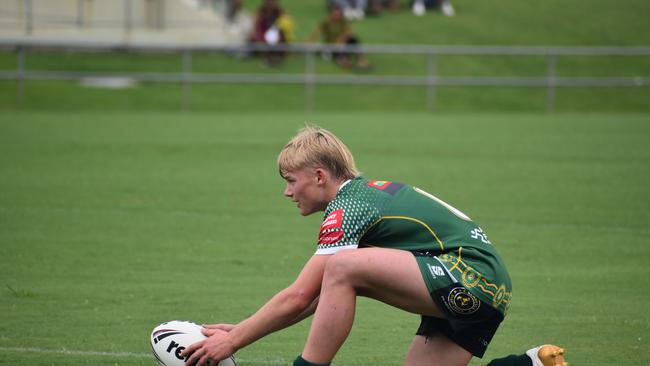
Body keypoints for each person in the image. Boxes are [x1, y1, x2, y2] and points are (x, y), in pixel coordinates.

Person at [182, 125, 569, 366]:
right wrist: (248, 329)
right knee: (342, 270)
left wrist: (234, 341)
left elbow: (301, 295)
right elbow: (321, 297)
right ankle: (532, 364)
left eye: (290, 180)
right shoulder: (362, 197)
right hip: (478, 285)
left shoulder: (347, 207)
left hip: (468, 278)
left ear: (318, 176)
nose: (286, 192)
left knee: (343, 265)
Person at [309, 6, 371, 71]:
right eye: (334, 14)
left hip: (342, 44)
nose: (336, 16)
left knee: (353, 38)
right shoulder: (326, 21)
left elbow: (350, 32)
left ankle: (361, 59)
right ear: (331, 14)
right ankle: (343, 61)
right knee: (337, 48)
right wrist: (309, 41)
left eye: (338, 14)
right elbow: (317, 33)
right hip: (332, 46)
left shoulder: (343, 21)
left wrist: (342, 39)